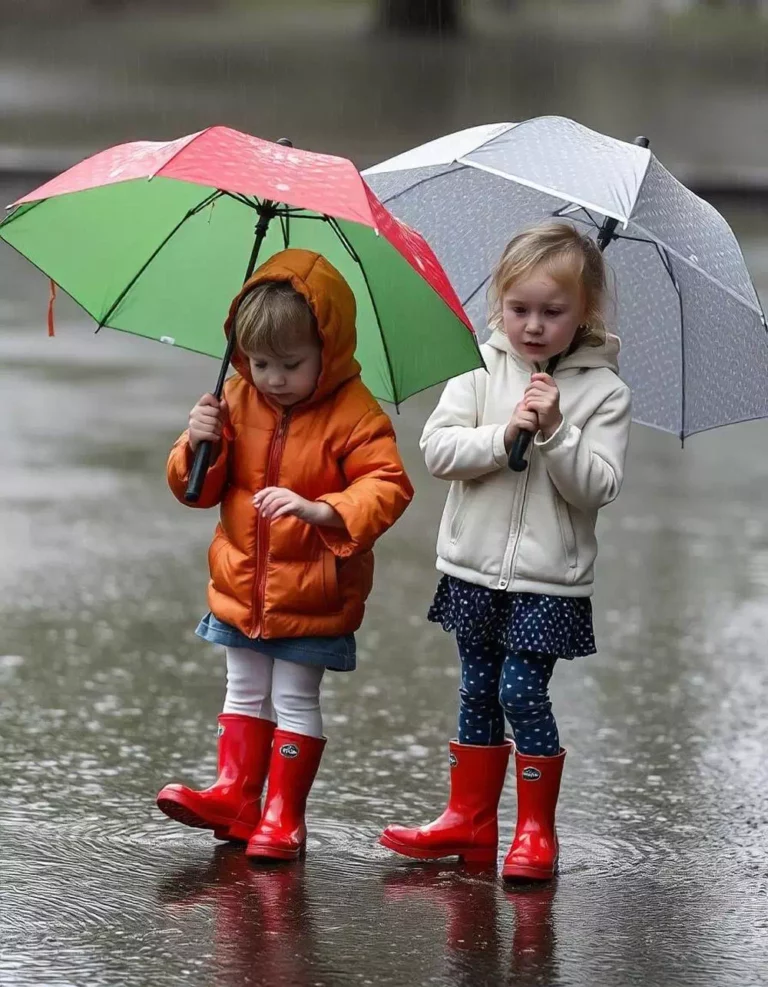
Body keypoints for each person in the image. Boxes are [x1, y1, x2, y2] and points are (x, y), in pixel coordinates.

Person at [379, 221, 631, 881]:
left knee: (521, 688)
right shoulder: (478, 366)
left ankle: (535, 830)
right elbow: (438, 450)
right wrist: (502, 434)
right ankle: (469, 819)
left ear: (584, 314)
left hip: (549, 578)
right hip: (473, 566)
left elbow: (597, 487)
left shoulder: (605, 393)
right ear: (499, 303)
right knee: (476, 689)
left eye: (554, 312)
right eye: (520, 309)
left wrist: (555, 431)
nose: (535, 326)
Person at [157, 248, 413, 861]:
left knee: (295, 697)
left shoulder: (354, 412)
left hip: (313, 591)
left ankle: (282, 814)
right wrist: (200, 443)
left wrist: (327, 509)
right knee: (242, 689)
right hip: (242, 585)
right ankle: (236, 793)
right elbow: (196, 490)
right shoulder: (236, 399)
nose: (273, 377)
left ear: (329, 349)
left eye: (291, 364)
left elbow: (388, 485)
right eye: (260, 362)